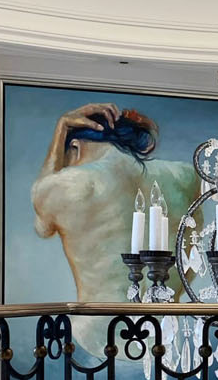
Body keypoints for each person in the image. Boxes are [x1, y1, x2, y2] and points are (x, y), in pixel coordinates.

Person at [31, 101, 201, 354]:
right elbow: (192, 258)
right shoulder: (185, 176)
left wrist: (61, 128)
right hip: (165, 338)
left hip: (98, 340)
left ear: (74, 147)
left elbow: (43, 225)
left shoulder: (69, 185)